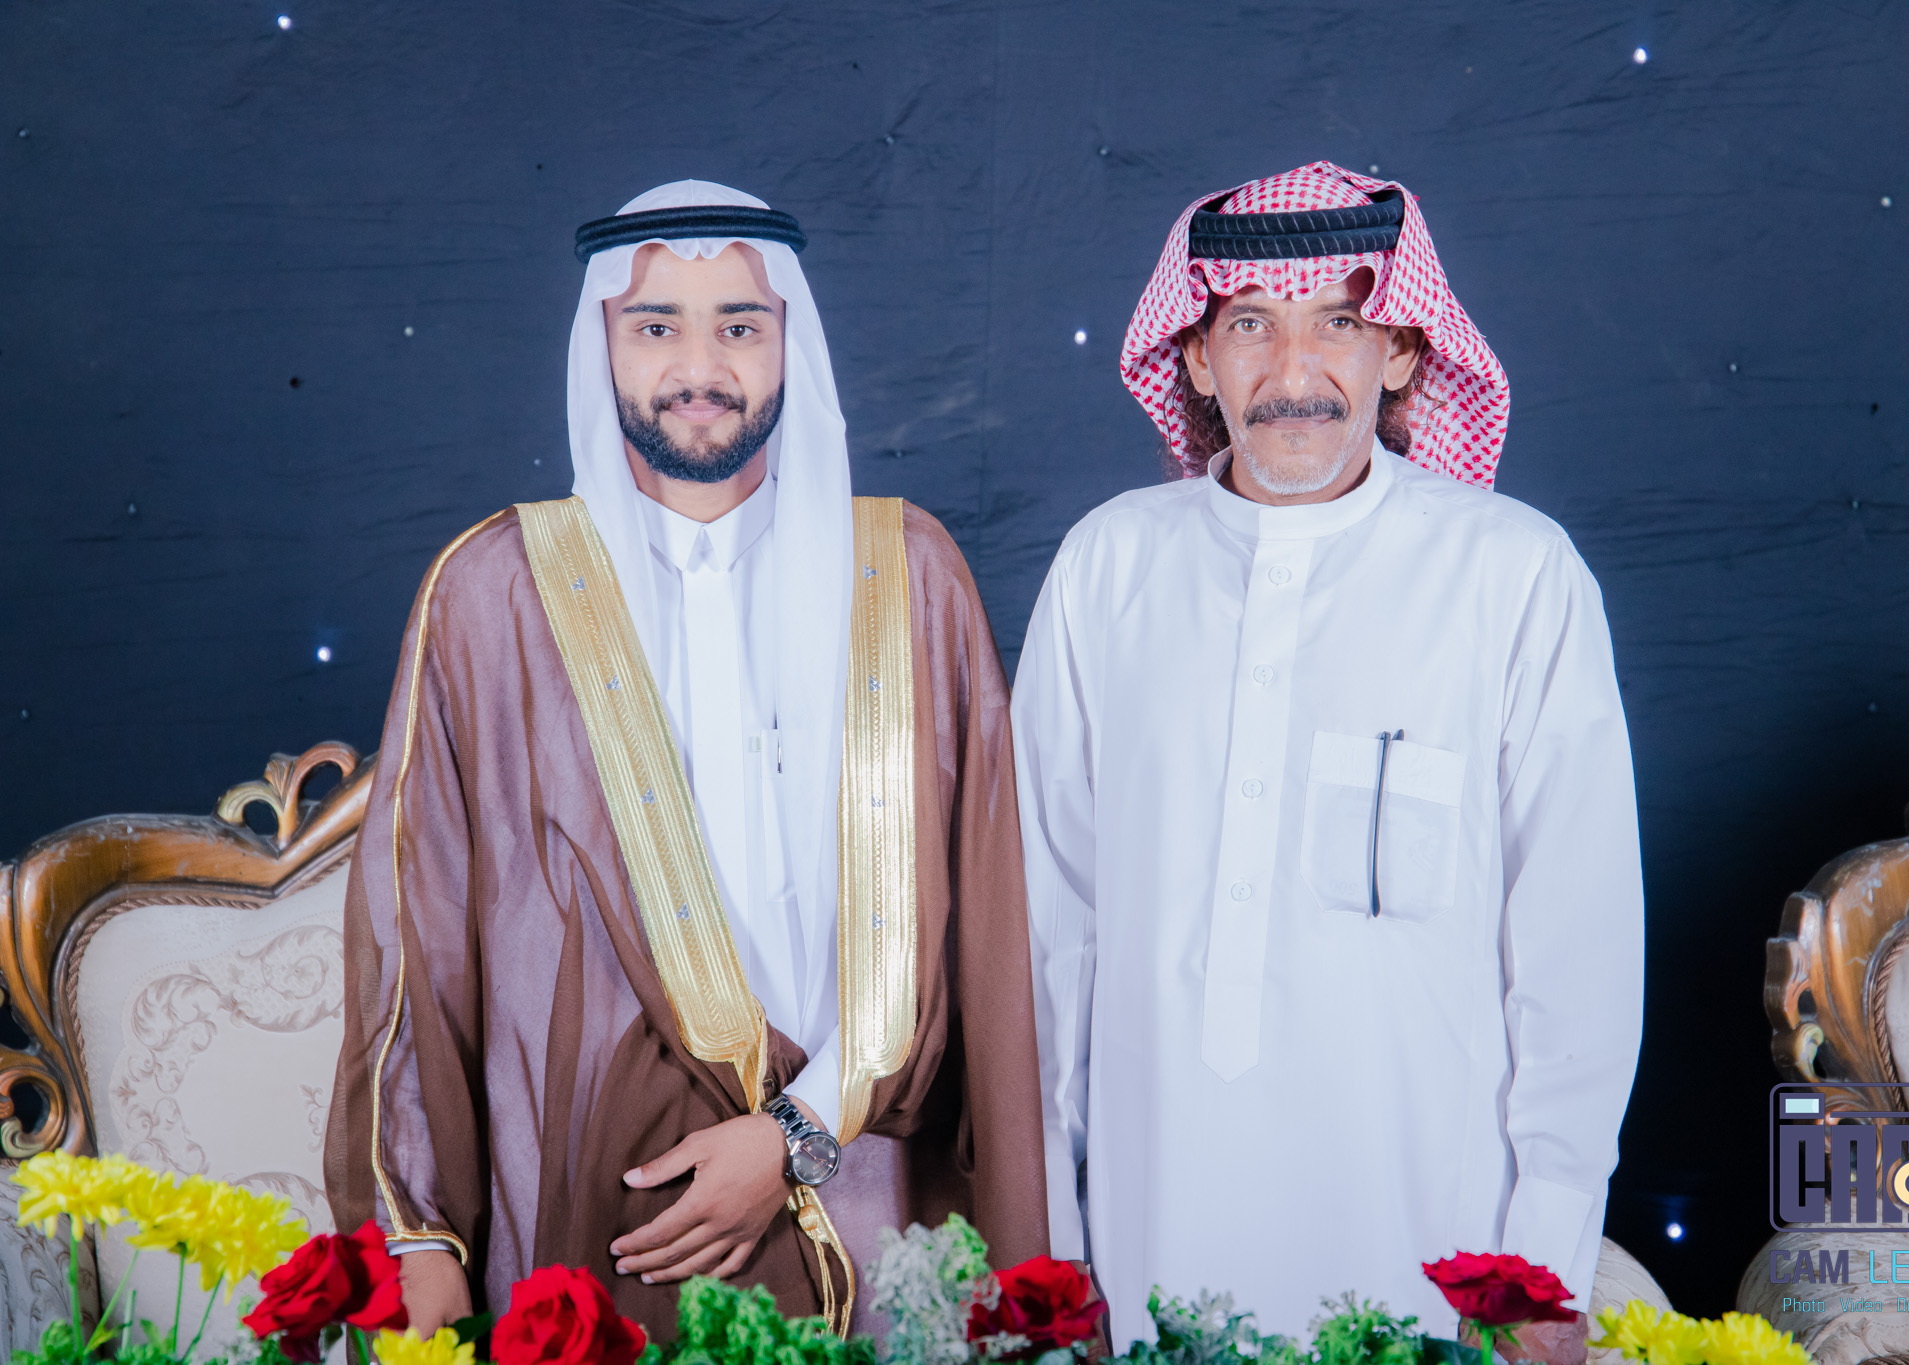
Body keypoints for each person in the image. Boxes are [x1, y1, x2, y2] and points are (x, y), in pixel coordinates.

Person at [325, 180, 1048, 1341]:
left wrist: (793, 1136)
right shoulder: (496, 592)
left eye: (738, 326)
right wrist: (421, 1237)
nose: (699, 366)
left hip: (869, 1189)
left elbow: (986, 932)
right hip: (602, 1202)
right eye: (656, 326)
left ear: (789, 345)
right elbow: (420, 943)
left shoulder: (906, 574)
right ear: (601, 345)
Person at [1012, 161, 1643, 1355]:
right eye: (1250, 325)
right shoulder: (1107, 568)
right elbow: (1048, 939)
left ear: (1399, 351)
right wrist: (1048, 1252)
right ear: (1195, 358)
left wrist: (1537, 1275)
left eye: (1337, 325)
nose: (1292, 373)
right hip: (1151, 1235)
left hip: (1430, 1247)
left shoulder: (1513, 576)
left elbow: (1577, 958)